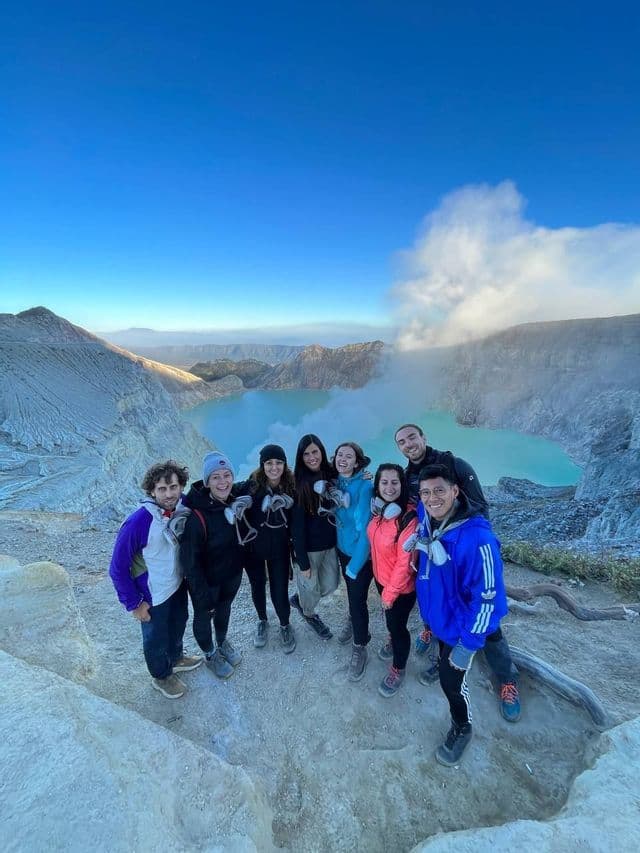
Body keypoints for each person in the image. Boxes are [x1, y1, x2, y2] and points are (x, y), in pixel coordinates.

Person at [395, 422, 521, 721]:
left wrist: (471, 545)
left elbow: (478, 507)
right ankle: (443, 654)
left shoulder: (455, 465)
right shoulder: (409, 475)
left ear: (424, 437)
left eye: (412, 437)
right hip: (434, 551)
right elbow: (421, 511)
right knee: (439, 605)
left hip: (460, 546)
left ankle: (507, 679)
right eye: (402, 441)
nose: (409, 444)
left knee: (486, 622)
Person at [414, 463, 511, 766]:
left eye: (439, 491)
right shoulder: (428, 517)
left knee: (452, 683)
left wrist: (468, 645)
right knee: (447, 670)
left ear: (455, 491)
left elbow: (488, 600)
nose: (432, 499)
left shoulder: (478, 540)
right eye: (425, 493)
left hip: (459, 627)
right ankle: (445, 661)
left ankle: (462, 726)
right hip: (442, 618)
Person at [109, 460, 202, 700]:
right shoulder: (138, 522)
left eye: (173, 487)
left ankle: (176, 657)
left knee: (179, 622)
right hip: (152, 594)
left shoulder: (181, 507)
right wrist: (134, 604)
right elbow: (117, 568)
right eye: (162, 489)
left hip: (176, 584)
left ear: (181, 486)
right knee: (155, 637)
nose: (169, 494)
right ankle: (161, 676)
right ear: (152, 491)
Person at [179, 451, 245, 678]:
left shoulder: (232, 501)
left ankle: (222, 641)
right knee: (204, 615)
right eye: (216, 477)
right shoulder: (196, 516)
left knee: (224, 609)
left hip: (232, 574)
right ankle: (210, 654)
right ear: (207, 482)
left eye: (227, 475)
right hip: (206, 582)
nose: (222, 482)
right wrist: (201, 594)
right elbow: (190, 562)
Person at [239, 443, 297, 654]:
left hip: (280, 549)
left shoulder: (291, 486)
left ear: (284, 464)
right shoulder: (251, 486)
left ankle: (285, 624)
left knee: (279, 589)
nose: (274, 467)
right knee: (257, 586)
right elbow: (223, 490)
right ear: (262, 465)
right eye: (269, 463)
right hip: (253, 549)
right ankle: (262, 620)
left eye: (279, 462)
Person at [367, 464, 417, 697]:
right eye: (384, 482)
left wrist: (389, 594)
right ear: (377, 486)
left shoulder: (408, 518)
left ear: (402, 485)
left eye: (394, 482)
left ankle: (399, 668)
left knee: (398, 628)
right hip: (381, 579)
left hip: (400, 588)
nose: (389, 487)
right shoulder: (380, 512)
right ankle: (391, 638)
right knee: (391, 621)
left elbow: (404, 563)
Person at [289, 434, 340, 639]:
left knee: (331, 584)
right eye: (306, 454)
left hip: (330, 544)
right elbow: (296, 527)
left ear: (322, 451)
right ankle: (308, 613)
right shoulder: (299, 485)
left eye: (315, 452)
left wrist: (363, 475)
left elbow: (353, 468)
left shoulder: (330, 474)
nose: (312, 457)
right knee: (311, 588)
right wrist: (302, 562)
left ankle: (299, 598)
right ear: (301, 457)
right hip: (309, 549)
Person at [332, 441, 374, 681]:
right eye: (340, 455)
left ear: (357, 462)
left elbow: (366, 529)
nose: (343, 459)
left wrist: (355, 565)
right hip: (342, 549)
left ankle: (360, 645)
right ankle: (352, 619)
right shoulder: (334, 481)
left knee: (358, 600)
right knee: (352, 594)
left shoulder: (365, 486)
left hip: (360, 554)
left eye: (348, 456)